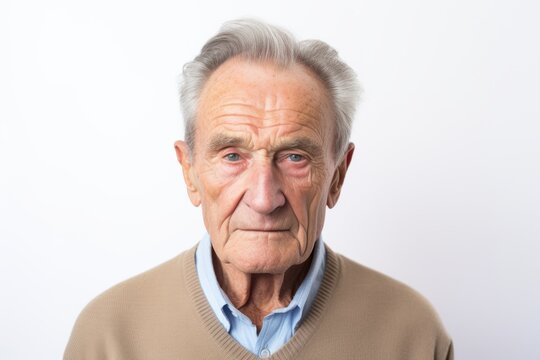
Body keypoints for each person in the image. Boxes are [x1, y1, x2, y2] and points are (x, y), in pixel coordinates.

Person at [64, 19, 453, 359]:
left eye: (295, 157)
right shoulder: (108, 336)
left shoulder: (414, 334)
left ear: (337, 176)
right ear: (189, 172)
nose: (264, 199)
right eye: (233, 156)